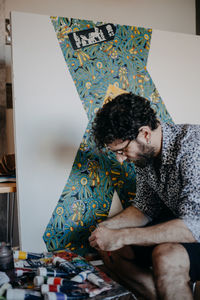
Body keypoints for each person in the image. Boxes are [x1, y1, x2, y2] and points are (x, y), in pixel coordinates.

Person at [89, 92, 200, 300]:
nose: (120, 160)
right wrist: (107, 229)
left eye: (122, 150)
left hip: (194, 226)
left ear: (145, 134)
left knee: (165, 256)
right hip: (185, 224)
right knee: (109, 248)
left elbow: (194, 225)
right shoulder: (144, 157)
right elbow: (144, 207)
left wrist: (122, 235)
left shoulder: (192, 147)